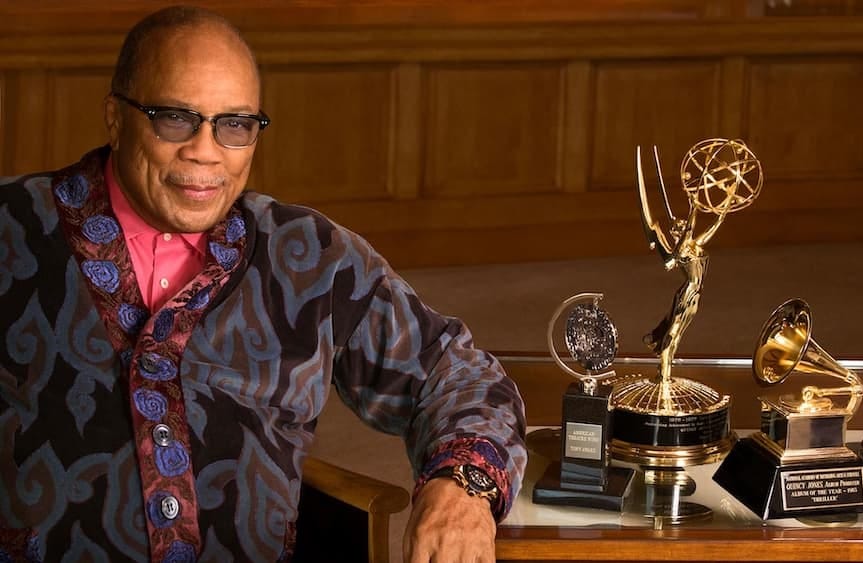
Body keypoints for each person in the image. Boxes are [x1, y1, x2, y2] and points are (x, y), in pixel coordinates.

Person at [0, 5, 526, 562]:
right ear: (115, 116)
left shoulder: (311, 257)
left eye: (234, 125)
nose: (204, 150)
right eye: (175, 118)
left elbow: (455, 375)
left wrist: (463, 488)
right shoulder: (13, 231)